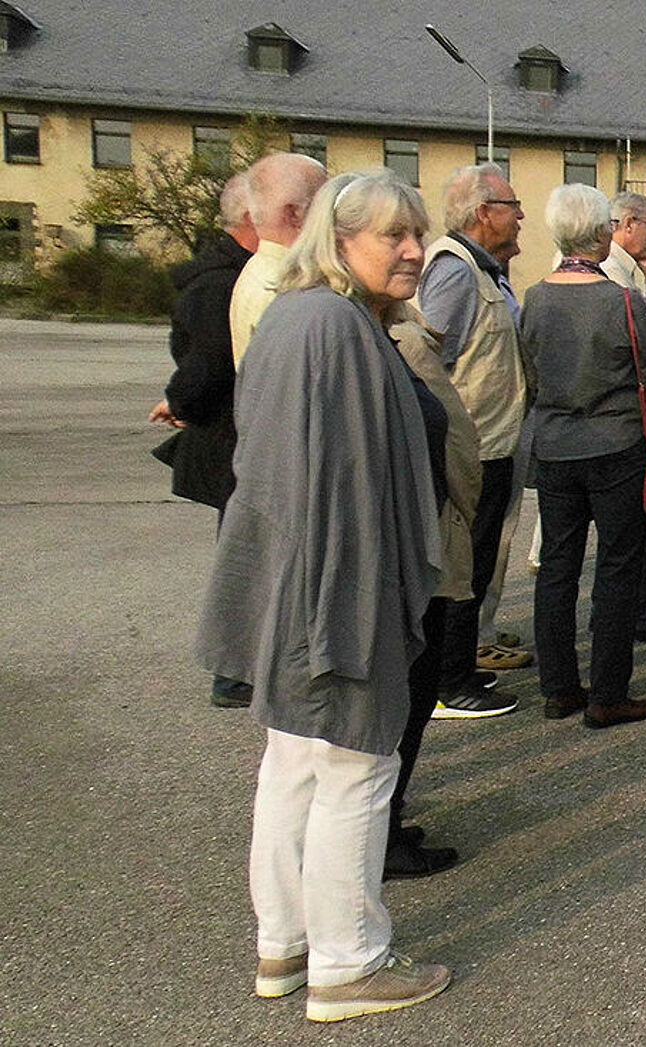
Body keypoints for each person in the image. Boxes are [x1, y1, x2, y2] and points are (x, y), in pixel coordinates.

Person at [196, 169, 452, 1022]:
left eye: (417, 233)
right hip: (338, 587)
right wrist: (355, 611)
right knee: (356, 765)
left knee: (297, 761)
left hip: (299, 583)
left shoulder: (303, 313)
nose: (413, 250)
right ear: (338, 241)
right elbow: (340, 487)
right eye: (392, 235)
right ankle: (349, 962)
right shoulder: (336, 328)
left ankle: (288, 942)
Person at [519, 183, 646, 729]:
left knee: (558, 565)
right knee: (618, 566)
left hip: (555, 445)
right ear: (602, 233)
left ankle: (558, 688)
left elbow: (529, 375)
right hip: (616, 445)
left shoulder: (534, 298)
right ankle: (608, 692)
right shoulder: (621, 300)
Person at [417, 163, 527, 718]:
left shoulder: (483, 270)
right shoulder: (455, 273)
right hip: (472, 448)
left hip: (492, 443)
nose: (521, 216)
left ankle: (457, 665)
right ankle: (449, 682)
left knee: (478, 564)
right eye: (512, 206)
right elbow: (427, 359)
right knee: (462, 567)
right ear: (484, 212)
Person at [148, 172, 257, 708]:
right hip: (229, 438)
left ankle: (241, 667)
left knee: (249, 554)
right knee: (244, 558)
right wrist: (180, 401)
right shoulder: (221, 284)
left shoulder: (237, 275)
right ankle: (232, 675)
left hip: (234, 434)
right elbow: (209, 361)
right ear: (252, 218)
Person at [381, 304, 482, 879]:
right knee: (410, 691)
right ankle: (382, 827)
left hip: (419, 538)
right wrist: (462, 520)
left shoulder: (390, 336)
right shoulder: (402, 343)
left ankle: (385, 816)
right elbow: (456, 445)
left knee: (412, 693)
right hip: (422, 540)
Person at [599, 191, 646, 647]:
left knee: (644, 520)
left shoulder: (631, 272)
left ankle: (645, 611)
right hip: (629, 417)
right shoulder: (611, 275)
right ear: (628, 224)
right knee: (644, 518)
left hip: (634, 415)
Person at [230, 152, 327, 367]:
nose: (333, 215)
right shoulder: (288, 286)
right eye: (325, 203)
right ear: (294, 214)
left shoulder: (258, 270)